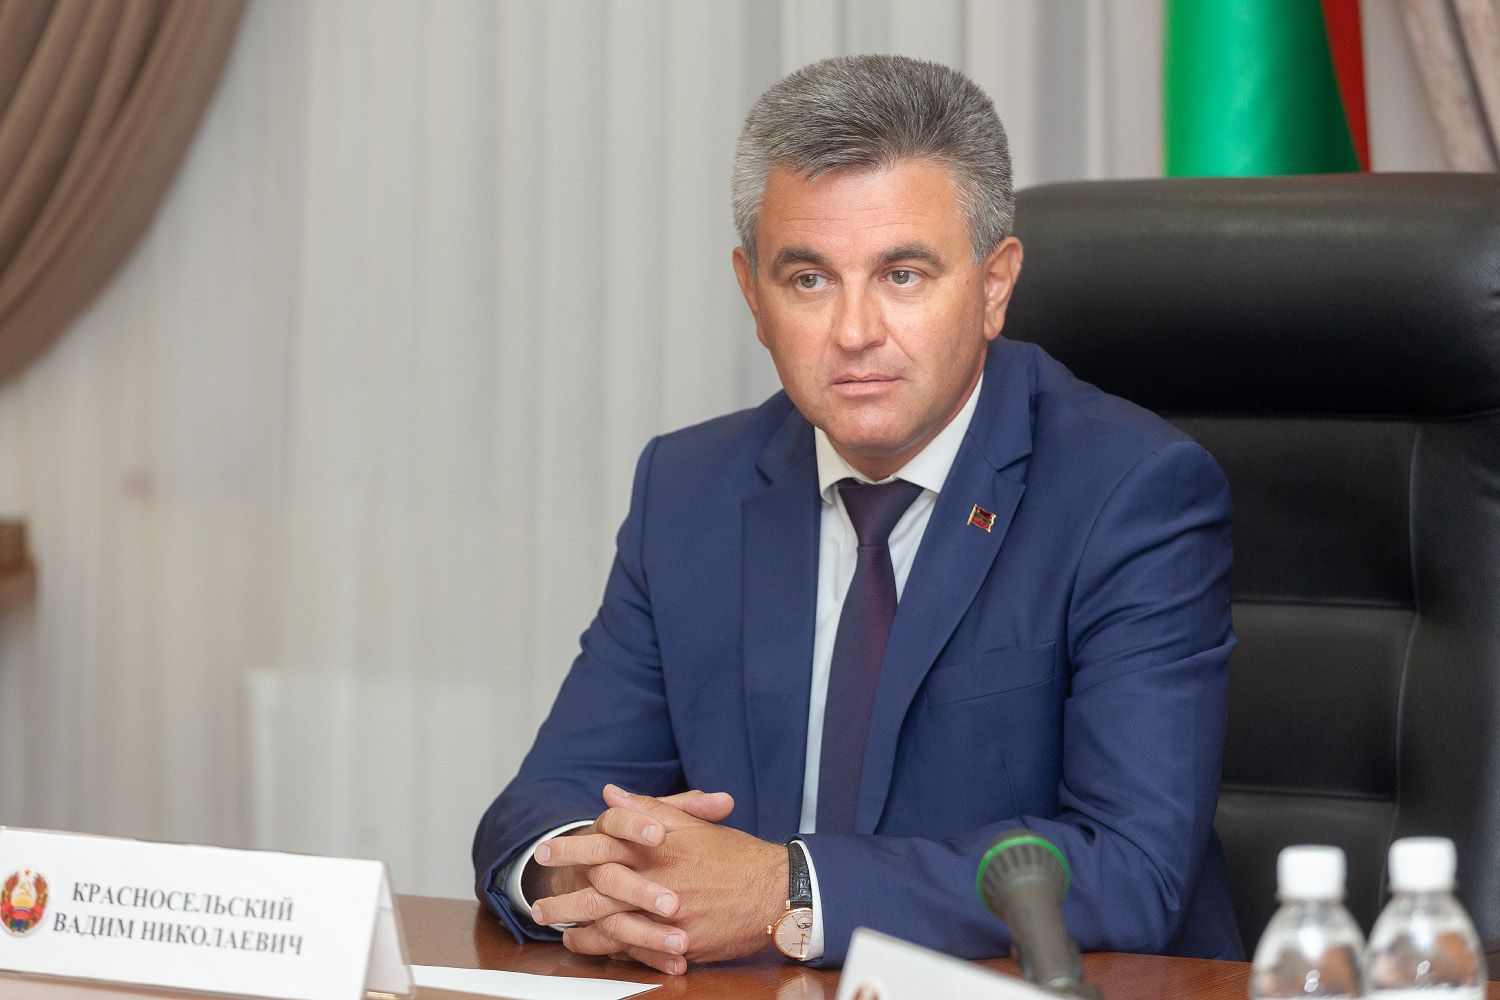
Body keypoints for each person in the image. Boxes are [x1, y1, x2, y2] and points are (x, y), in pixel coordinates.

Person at [472, 53, 1242, 974]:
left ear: (995, 285)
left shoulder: (1131, 493)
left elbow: (1131, 866)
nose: (854, 331)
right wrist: (585, 879)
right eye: (809, 280)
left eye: (903, 275)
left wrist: (787, 892)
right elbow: (545, 802)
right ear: (752, 294)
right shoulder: (689, 490)